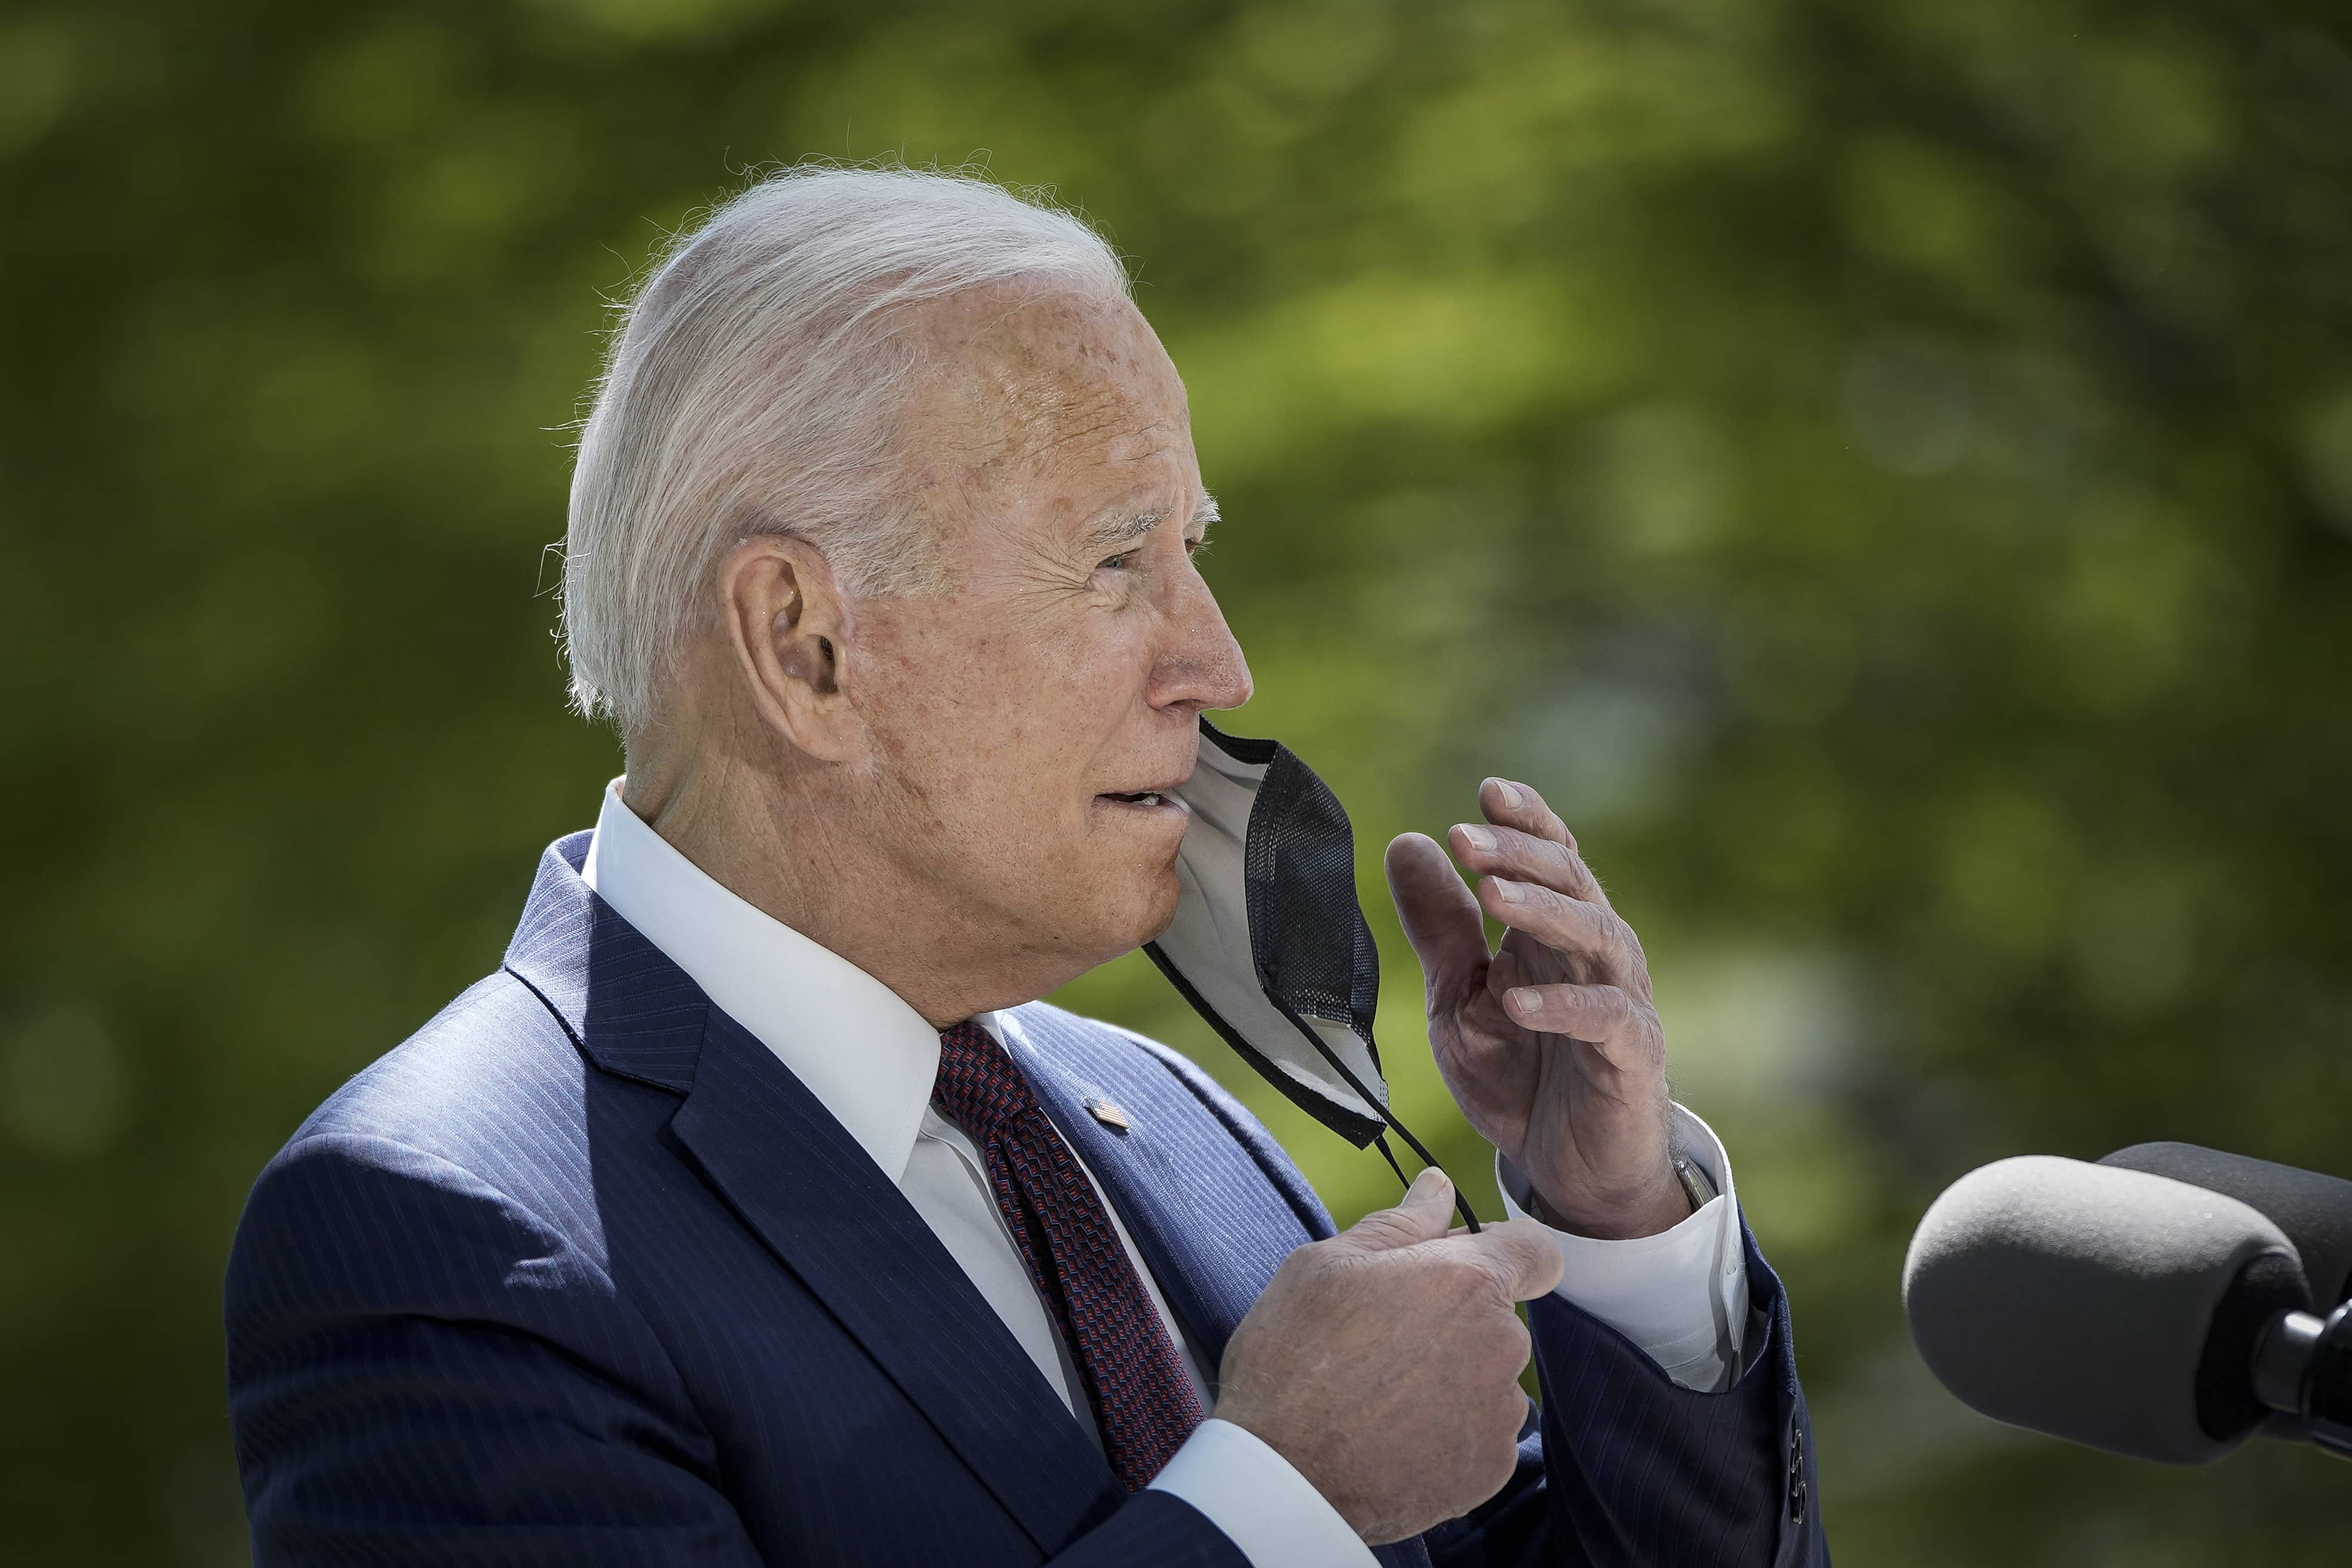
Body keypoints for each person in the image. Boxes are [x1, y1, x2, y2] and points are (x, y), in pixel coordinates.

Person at [224, 166, 1828, 1567]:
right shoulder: (442, 1228)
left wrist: (1619, 1227)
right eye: (1119, 558)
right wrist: (1273, 1499)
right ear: (806, 643)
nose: (1218, 661)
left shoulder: (1181, 1128)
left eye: (1191, 553)